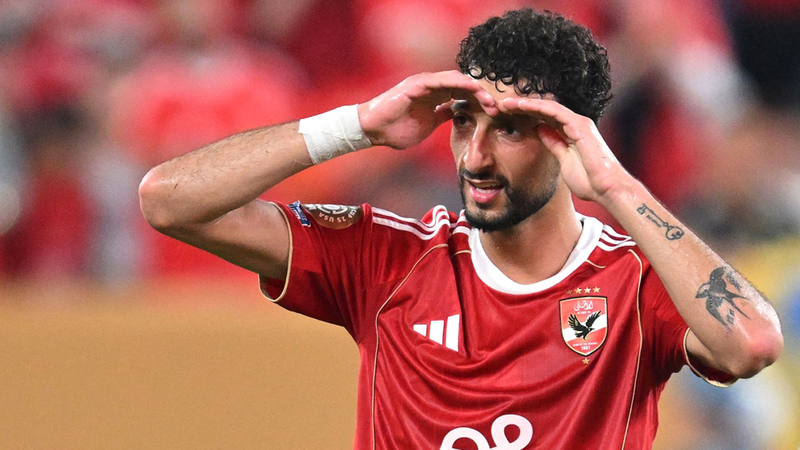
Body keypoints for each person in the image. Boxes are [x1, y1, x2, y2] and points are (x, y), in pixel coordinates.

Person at [138, 9, 783, 449]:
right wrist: (355, 125)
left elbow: (751, 342)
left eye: (510, 130)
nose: (475, 157)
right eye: (464, 121)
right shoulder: (388, 259)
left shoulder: (631, 282)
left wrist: (618, 186)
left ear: (570, 141)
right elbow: (170, 201)